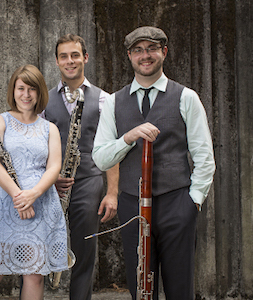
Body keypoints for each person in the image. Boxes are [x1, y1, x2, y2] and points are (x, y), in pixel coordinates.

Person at [92, 26, 216, 300]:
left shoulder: (186, 97)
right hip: (131, 205)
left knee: (180, 288)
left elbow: (204, 157)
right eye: (138, 50)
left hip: (176, 203)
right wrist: (128, 137)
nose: (145, 55)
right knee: (141, 289)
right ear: (129, 56)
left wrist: (192, 202)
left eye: (151, 49)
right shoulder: (113, 102)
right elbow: (101, 157)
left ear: (164, 52)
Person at [0, 65, 68, 300]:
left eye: (32, 89)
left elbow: (54, 167)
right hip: (5, 203)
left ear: (40, 92)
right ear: (13, 90)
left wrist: (33, 194)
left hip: (39, 203)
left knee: (34, 273)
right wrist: (19, 196)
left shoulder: (50, 128)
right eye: (21, 88)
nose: (26, 95)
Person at [42, 34, 119, 300]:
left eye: (75, 55)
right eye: (63, 56)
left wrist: (112, 192)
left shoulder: (104, 100)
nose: (70, 61)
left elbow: (111, 150)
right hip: (50, 183)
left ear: (85, 58)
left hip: (89, 180)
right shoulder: (42, 100)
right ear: (56, 61)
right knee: (37, 250)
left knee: (85, 251)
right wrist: (46, 179)